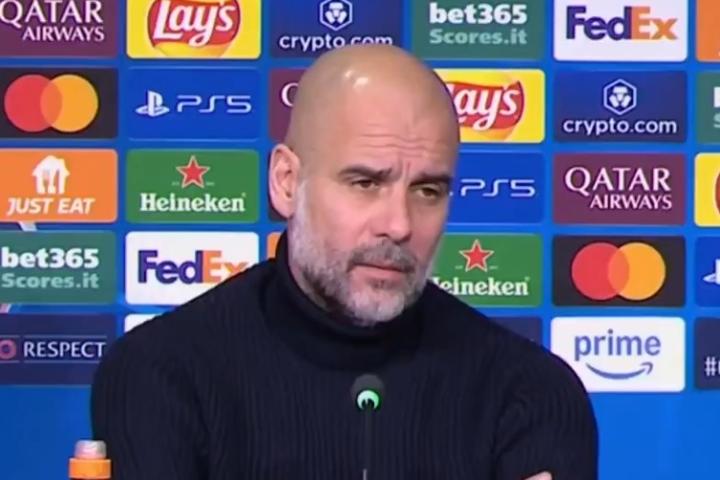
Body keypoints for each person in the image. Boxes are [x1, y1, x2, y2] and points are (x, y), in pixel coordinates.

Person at [91, 44, 598, 480]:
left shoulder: (528, 393)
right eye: (365, 183)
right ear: (287, 183)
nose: (399, 224)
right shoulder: (162, 373)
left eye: (427, 190)